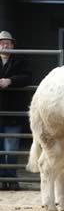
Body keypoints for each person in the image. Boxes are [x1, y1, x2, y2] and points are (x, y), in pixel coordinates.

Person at [0, 31, 32, 190]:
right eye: (2, 42)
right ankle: (1, 180)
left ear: (13, 45)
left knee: (11, 149)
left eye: (8, 43)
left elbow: (27, 77)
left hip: (13, 110)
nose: (4, 45)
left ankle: (11, 179)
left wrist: (10, 81)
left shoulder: (20, 60)